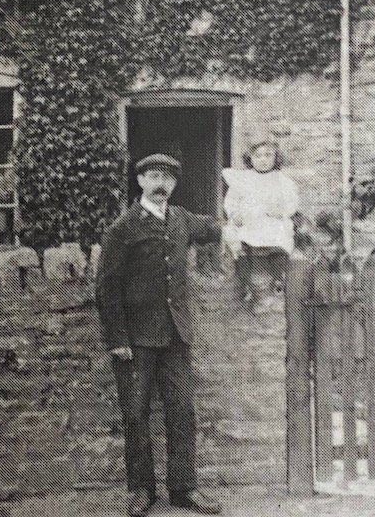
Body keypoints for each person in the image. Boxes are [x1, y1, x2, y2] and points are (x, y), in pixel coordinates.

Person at [95, 152, 223, 517]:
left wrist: (250, 210)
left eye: (167, 177)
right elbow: (107, 288)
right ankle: (141, 491)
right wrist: (117, 339)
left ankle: (184, 489)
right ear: (140, 182)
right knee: (136, 414)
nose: (161, 184)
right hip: (135, 340)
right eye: (153, 176)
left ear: (174, 184)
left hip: (176, 335)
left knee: (182, 411)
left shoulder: (182, 218)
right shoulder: (122, 229)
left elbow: (216, 228)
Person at [221, 131, 299, 307]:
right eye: (258, 156)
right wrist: (234, 214)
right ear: (250, 158)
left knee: (278, 235)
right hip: (248, 221)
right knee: (236, 240)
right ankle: (246, 284)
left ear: (275, 157)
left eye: (268, 155)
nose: (263, 159)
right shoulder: (243, 179)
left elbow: (291, 202)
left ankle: (277, 278)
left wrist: (282, 211)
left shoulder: (282, 180)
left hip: (271, 220)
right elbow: (231, 201)